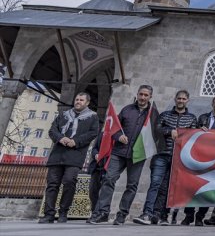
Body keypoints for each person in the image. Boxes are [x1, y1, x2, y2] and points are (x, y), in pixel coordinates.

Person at [88, 85, 154, 225]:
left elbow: (154, 135)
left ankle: (122, 214)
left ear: (150, 97)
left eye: (146, 95)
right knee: (108, 179)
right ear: (137, 94)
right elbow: (114, 128)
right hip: (119, 152)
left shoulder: (153, 114)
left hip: (137, 155)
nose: (142, 97)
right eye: (141, 94)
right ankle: (102, 213)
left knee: (132, 185)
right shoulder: (127, 110)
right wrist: (118, 136)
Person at [133, 89, 197, 225]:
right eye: (179, 98)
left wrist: (182, 133)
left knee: (167, 187)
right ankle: (147, 214)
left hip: (178, 159)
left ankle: (161, 215)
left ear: (187, 101)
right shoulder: (165, 115)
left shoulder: (191, 118)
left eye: (183, 99)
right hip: (161, 155)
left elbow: (193, 135)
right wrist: (170, 131)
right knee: (155, 184)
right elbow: (156, 129)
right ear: (175, 99)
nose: (181, 101)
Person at [39, 92, 98, 224]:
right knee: (52, 184)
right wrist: (61, 138)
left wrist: (76, 141)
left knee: (69, 182)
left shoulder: (92, 117)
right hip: (58, 154)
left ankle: (63, 212)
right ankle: (48, 214)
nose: (78, 101)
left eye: (81, 100)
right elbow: (52, 130)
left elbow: (93, 133)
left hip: (75, 155)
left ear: (87, 103)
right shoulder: (64, 115)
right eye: (77, 99)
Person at [182, 95, 215, 226]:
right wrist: (199, 130)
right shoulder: (203, 118)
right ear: (213, 104)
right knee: (192, 187)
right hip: (199, 158)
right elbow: (192, 134)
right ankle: (189, 216)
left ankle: (200, 216)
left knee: (207, 189)